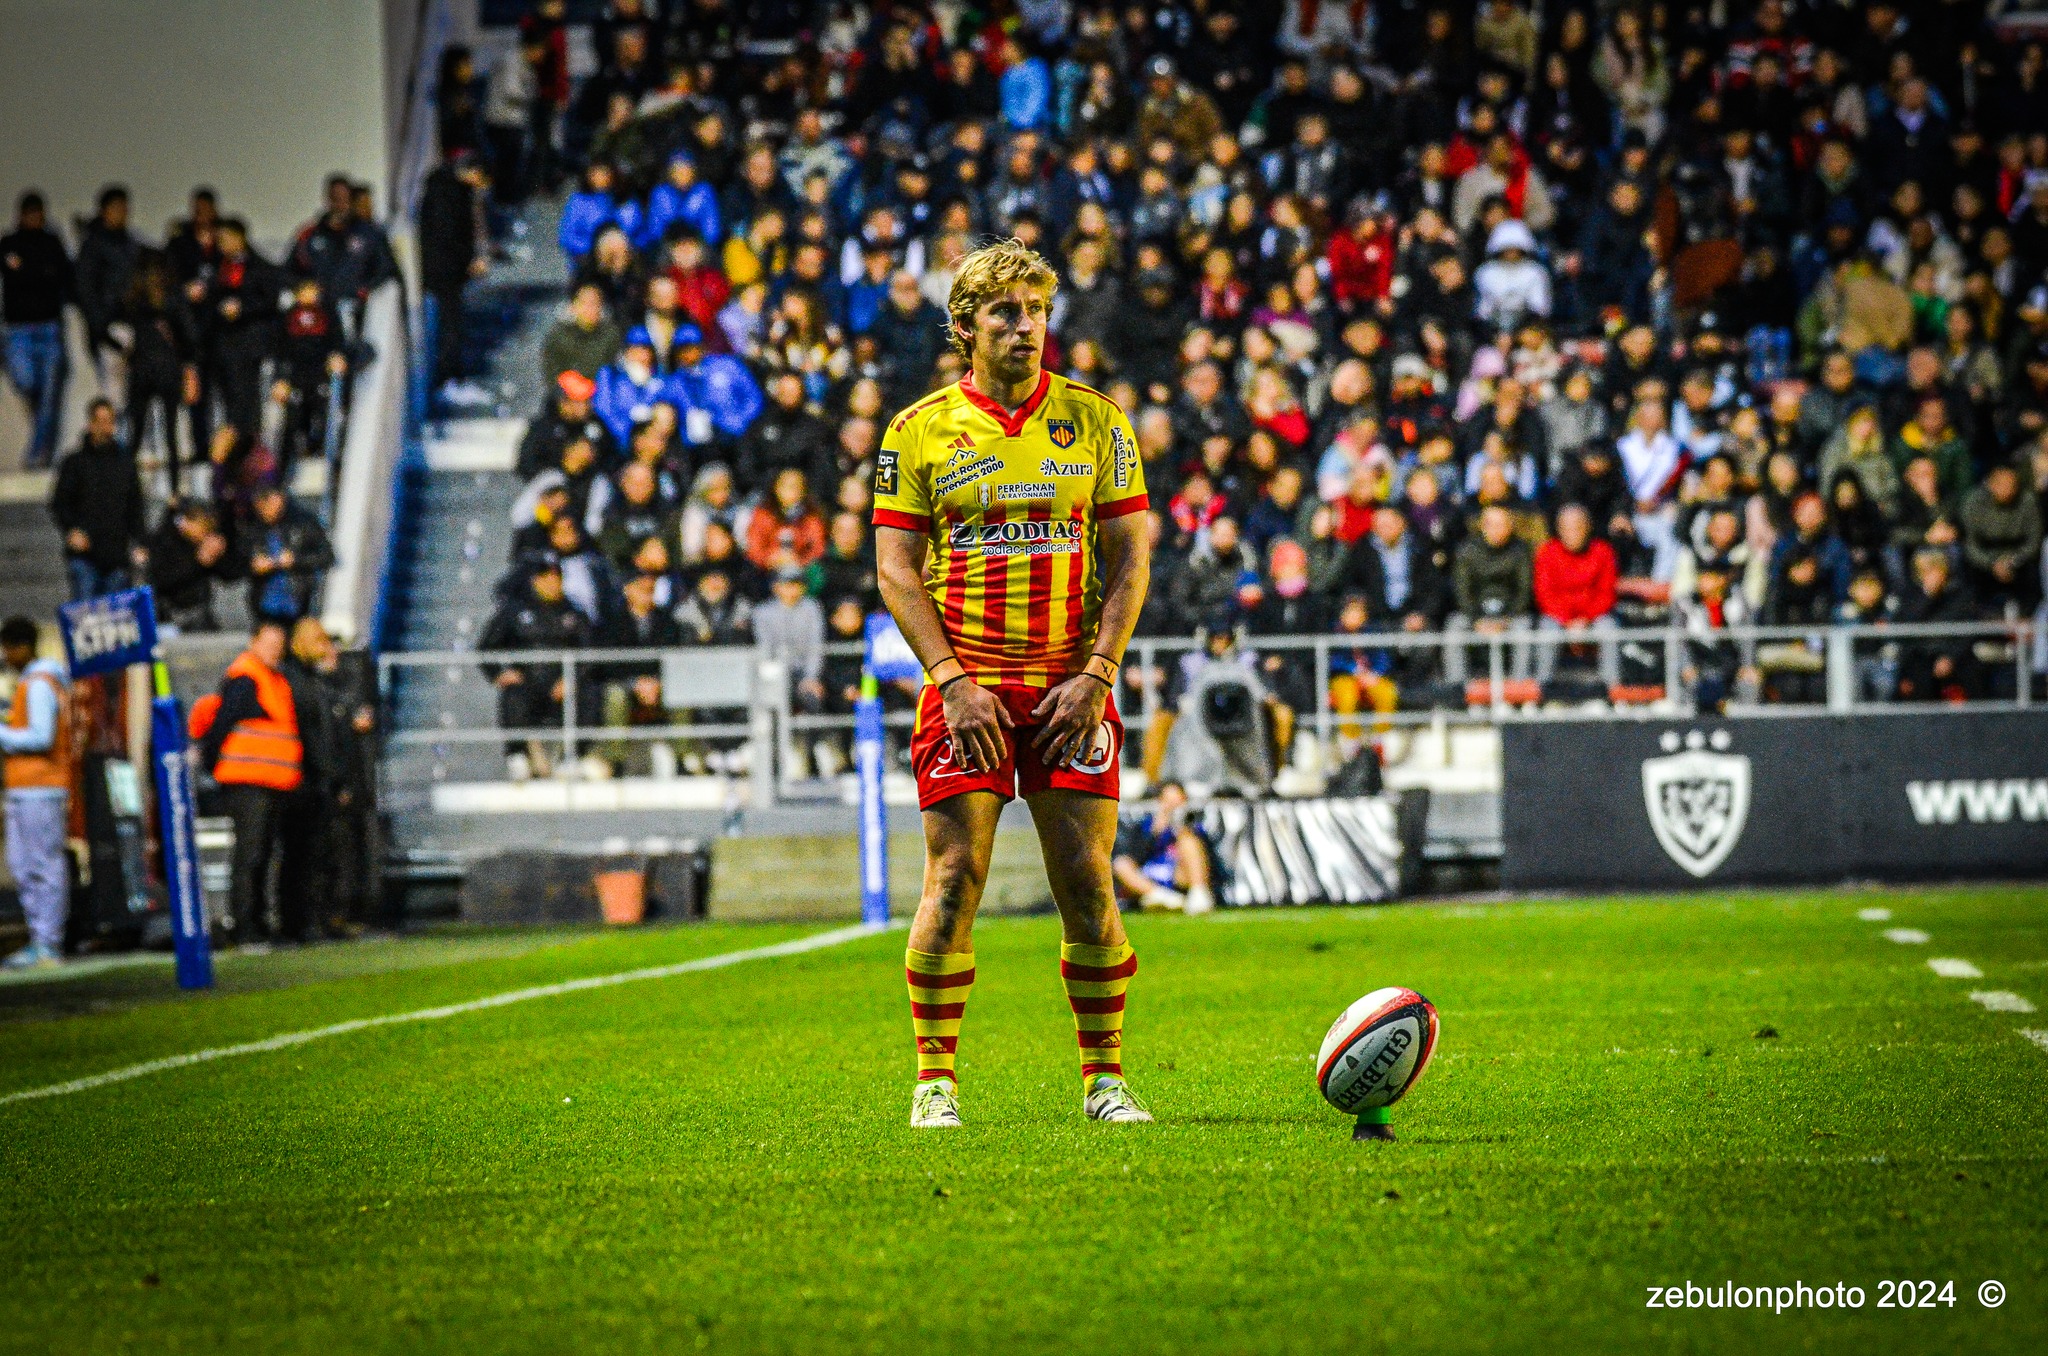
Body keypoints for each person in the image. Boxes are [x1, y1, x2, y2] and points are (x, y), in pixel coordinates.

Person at [873, 238, 1154, 1129]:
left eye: (1036, 310)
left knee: (1088, 878)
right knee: (955, 875)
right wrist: (951, 681)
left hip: (1072, 687)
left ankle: (1106, 1080)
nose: (1026, 327)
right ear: (966, 327)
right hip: (970, 691)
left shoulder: (1098, 421)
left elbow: (1132, 557)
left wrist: (1099, 672)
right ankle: (934, 1084)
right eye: (1006, 312)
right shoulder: (916, 430)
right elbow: (893, 570)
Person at [194, 620, 311, 944]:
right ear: (254, 643)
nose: (275, 650)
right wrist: (210, 762)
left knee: (261, 855)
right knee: (251, 855)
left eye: (279, 645)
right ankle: (244, 925)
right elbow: (221, 724)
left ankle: (256, 922)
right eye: (269, 644)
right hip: (249, 782)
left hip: (269, 782)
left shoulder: (272, 678)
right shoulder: (246, 678)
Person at [1, 618, 71, 968]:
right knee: (24, 864)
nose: (5, 656)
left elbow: (41, 737)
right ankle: (40, 939)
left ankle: (49, 943)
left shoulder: (41, 684)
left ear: (21, 647)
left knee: (42, 865)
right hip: (27, 788)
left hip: (41, 787)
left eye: (7, 648)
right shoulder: (36, 682)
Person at [50, 399, 148, 600]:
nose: (106, 427)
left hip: (117, 557)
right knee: (85, 621)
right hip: (85, 557)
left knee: (114, 622)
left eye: (110, 421)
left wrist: (140, 542)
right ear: (90, 423)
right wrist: (72, 530)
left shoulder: (125, 464)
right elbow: (60, 503)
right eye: (100, 421)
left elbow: (135, 507)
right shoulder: (75, 462)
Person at [2, 192, 73, 467]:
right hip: (17, 330)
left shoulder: (52, 243)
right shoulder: (8, 243)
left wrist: (26, 271)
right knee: (25, 382)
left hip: (49, 328)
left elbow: (62, 276)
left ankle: (37, 455)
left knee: (47, 397)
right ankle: (42, 448)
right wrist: (39, 273)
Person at [1111, 780, 1214, 915]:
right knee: (1120, 864)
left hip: (1178, 874)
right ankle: (1164, 899)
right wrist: (1154, 834)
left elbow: (1206, 857)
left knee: (1188, 842)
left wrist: (1181, 830)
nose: (1172, 807)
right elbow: (1135, 858)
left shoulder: (1193, 826)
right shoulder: (1146, 825)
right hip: (1150, 874)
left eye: (1177, 802)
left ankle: (1198, 895)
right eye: (1168, 802)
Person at [242, 485, 335, 623]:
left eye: (268, 505)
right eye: (260, 508)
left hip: (298, 603)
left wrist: (296, 561)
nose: (264, 512)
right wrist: (254, 566)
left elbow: (327, 556)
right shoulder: (253, 528)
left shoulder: (304, 522)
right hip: (264, 606)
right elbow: (238, 562)